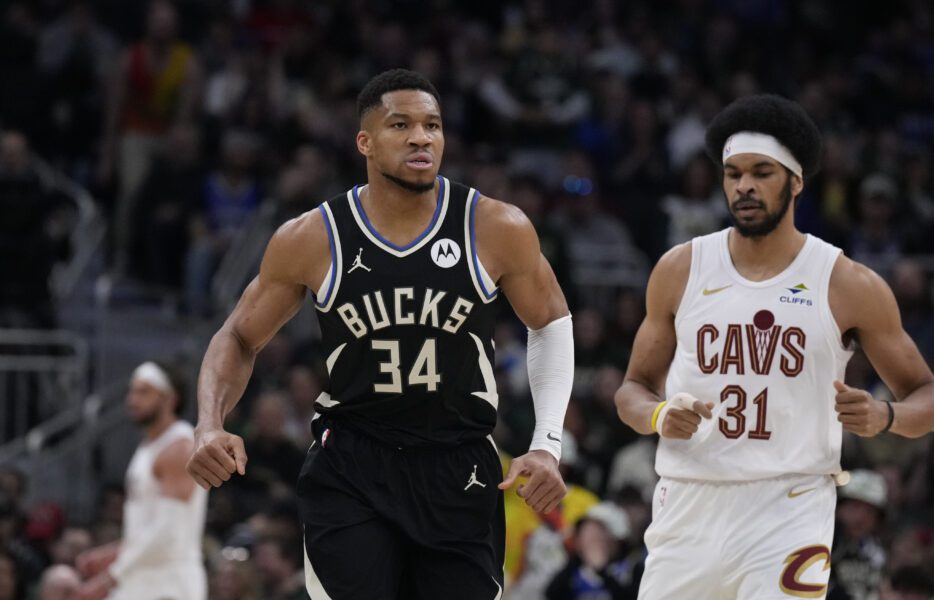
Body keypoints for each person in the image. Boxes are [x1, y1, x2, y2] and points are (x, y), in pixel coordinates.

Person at [186, 68, 574, 599]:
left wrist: (547, 442)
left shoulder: (494, 226)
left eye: (433, 125)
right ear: (364, 142)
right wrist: (209, 423)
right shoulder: (313, 237)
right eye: (401, 125)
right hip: (353, 463)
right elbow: (238, 336)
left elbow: (550, 322)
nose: (421, 137)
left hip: (457, 462)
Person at [614, 94, 934, 599]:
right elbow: (631, 390)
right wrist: (657, 416)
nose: (744, 185)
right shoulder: (680, 268)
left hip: (791, 504)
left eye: (762, 172)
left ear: (796, 180)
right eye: (732, 173)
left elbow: (925, 394)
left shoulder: (847, 282)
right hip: (690, 501)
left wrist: (885, 416)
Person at [75, 361, 207, 600]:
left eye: (144, 392)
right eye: (132, 391)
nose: (132, 400)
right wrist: (114, 552)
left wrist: (110, 576)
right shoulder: (150, 446)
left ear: (170, 399)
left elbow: (169, 530)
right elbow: (149, 528)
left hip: (170, 584)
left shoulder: (179, 448)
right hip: (142, 579)